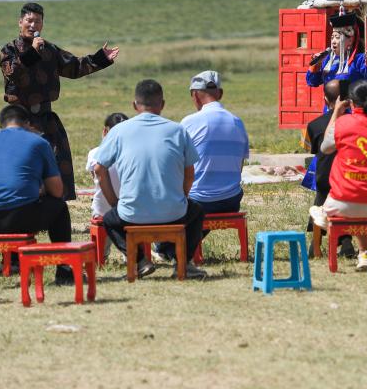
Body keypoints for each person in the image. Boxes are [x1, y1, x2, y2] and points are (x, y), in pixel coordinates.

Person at [0, 2, 120, 201]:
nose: (33, 25)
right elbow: (12, 73)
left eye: (37, 21)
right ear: (20, 22)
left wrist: (100, 59)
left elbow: (74, 67)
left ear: (42, 25)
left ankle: (54, 205)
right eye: (29, 20)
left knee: (56, 160)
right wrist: (33, 53)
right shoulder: (9, 49)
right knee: (20, 162)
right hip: (18, 119)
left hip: (46, 117)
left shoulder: (50, 49)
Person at [93, 79, 205, 279]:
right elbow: (190, 173)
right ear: (162, 104)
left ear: (135, 105)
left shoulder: (119, 131)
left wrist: (114, 203)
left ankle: (140, 261)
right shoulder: (178, 130)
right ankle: (183, 264)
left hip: (131, 215)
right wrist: (181, 198)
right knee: (196, 211)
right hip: (175, 213)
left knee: (109, 219)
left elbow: (99, 169)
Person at [0, 104, 74, 283]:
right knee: (60, 207)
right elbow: (57, 190)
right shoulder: (39, 142)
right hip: (19, 217)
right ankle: (63, 269)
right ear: (28, 124)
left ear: (1, 124)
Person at [309, 80, 367, 271]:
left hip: (345, 201)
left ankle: (324, 215)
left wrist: (336, 113)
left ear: (351, 102)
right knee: (362, 203)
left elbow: (325, 148)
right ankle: (364, 253)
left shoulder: (342, 124)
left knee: (343, 203)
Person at [181, 71, 250, 217]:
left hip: (198, 202)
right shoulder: (237, 122)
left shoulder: (189, 122)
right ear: (220, 93)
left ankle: (176, 240)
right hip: (231, 201)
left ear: (195, 95)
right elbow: (240, 165)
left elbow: (177, 164)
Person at [303, 80, 356, 259]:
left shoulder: (314, 125)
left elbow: (312, 150)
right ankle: (346, 240)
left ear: (325, 100)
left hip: (324, 179)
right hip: (349, 179)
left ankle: (315, 243)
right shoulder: (356, 123)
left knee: (321, 200)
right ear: (349, 100)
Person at [85, 112, 129, 260]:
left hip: (101, 211)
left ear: (105, 131)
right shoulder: (134, 153)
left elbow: (96, 179)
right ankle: (130, 253)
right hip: (131, 209)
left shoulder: (94, 153)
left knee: (103, 211)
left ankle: (102, 255)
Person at [306, 10, 367, 89]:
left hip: (352, 101)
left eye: (337, 37)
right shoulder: (327, 60)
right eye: (332, 37)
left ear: (350, 41)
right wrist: (316, 65)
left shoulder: (359, 59)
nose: (333, 41)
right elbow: (312, 82)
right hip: (330, 101)